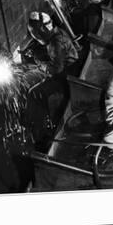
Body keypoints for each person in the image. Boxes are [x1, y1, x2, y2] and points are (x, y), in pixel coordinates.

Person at [24, 11, 79, 151]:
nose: (35, 37)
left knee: (34, 93)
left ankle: (42, 136)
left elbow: (56, 69)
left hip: (68, 78)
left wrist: (39, 63)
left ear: (43, 29)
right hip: (71, 70)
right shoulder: (57, 33)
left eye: (35, 33)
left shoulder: (55, 43)